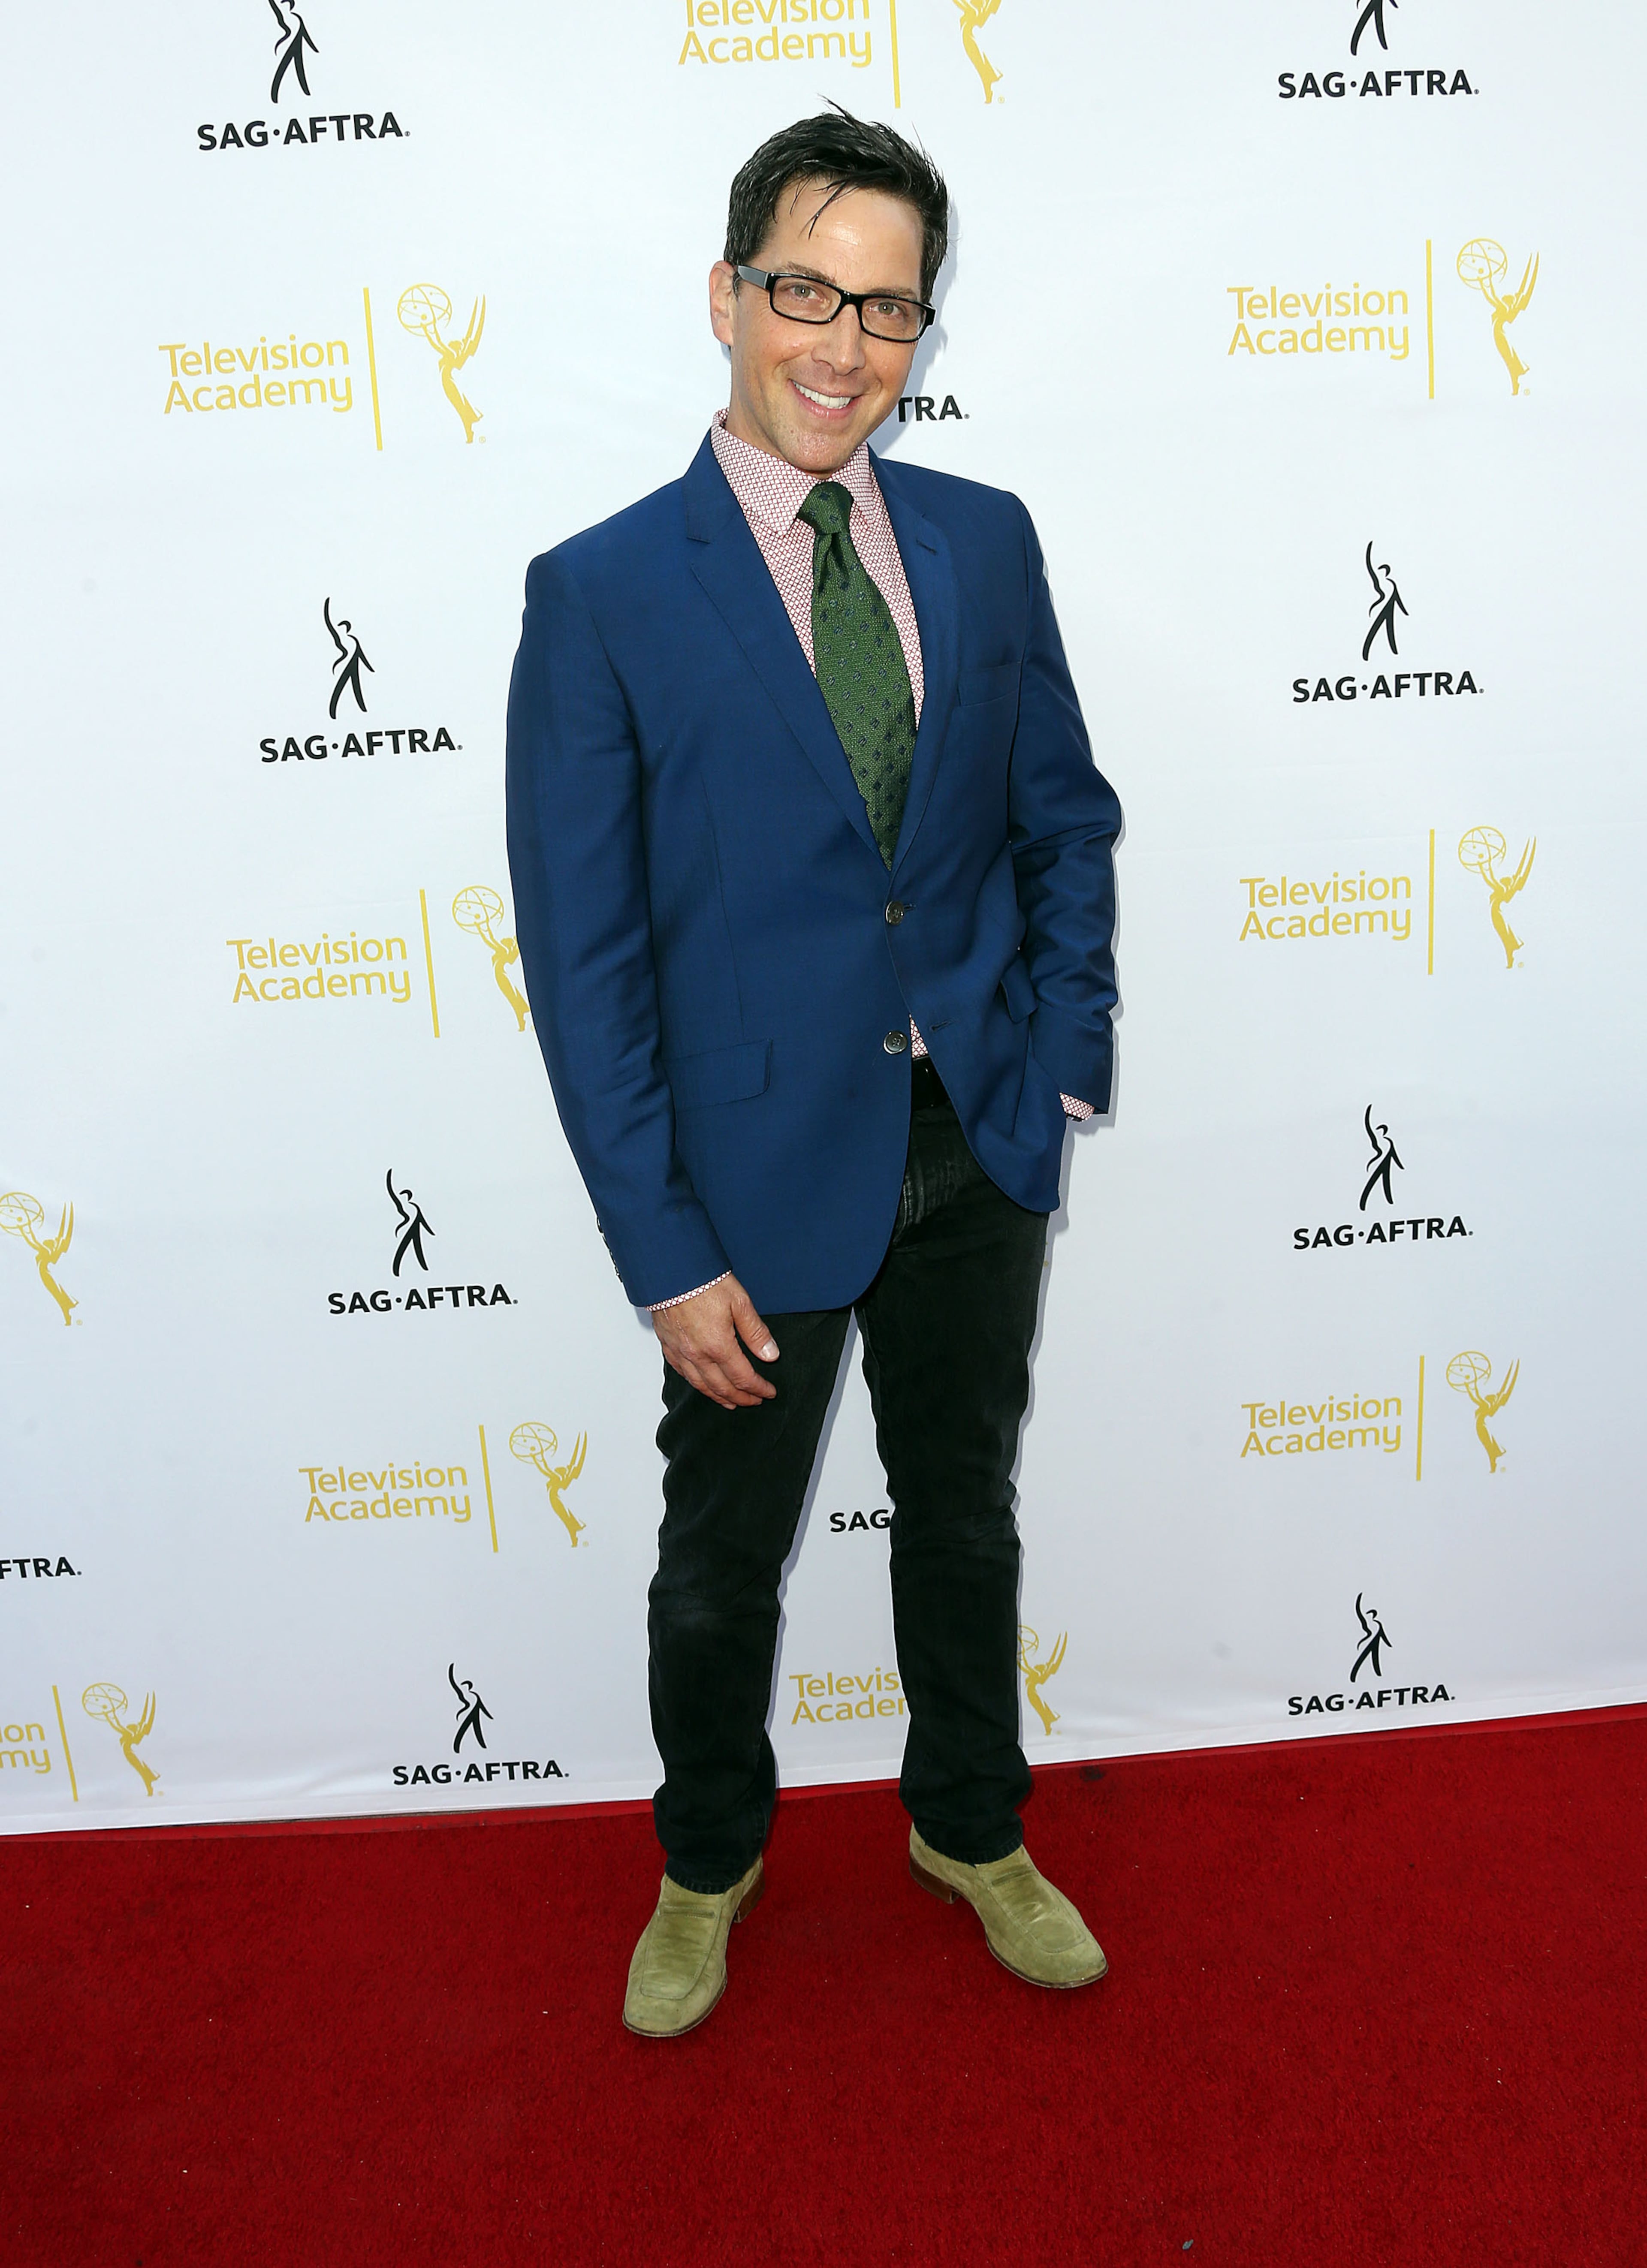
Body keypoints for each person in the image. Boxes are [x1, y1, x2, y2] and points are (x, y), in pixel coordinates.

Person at [506, 108, 1121, 2038]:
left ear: (923, 324)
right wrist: (661, 1249)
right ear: (728, 296)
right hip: (747, 1178)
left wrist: (1063, 1054)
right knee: (722, 1560)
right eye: (806, 292)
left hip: (977, 1136)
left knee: (964, 1511)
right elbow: (586, 960)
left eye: (888, 307)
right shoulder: (603, 592)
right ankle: (706, 1862)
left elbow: (1063, 818)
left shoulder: (985, 541)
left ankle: (971, 1828)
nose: (845, 347)